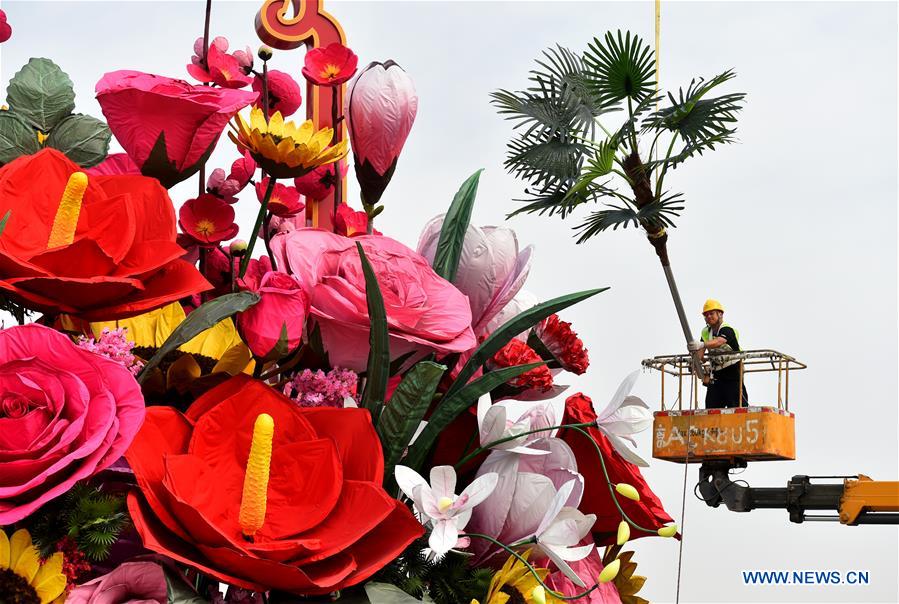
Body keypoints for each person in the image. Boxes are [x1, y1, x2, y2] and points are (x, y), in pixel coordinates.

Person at [687, 299, 748, 409]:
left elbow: (719, 341)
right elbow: (701, 352)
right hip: (716, 374)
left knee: (737, 406)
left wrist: (700, 344)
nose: (709, 316)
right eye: (706, 315)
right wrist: (695, 361)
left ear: (720, 314)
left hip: (732, 372)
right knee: (712, 407)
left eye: (711, 313)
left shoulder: (727, 329)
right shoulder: (706, 332)